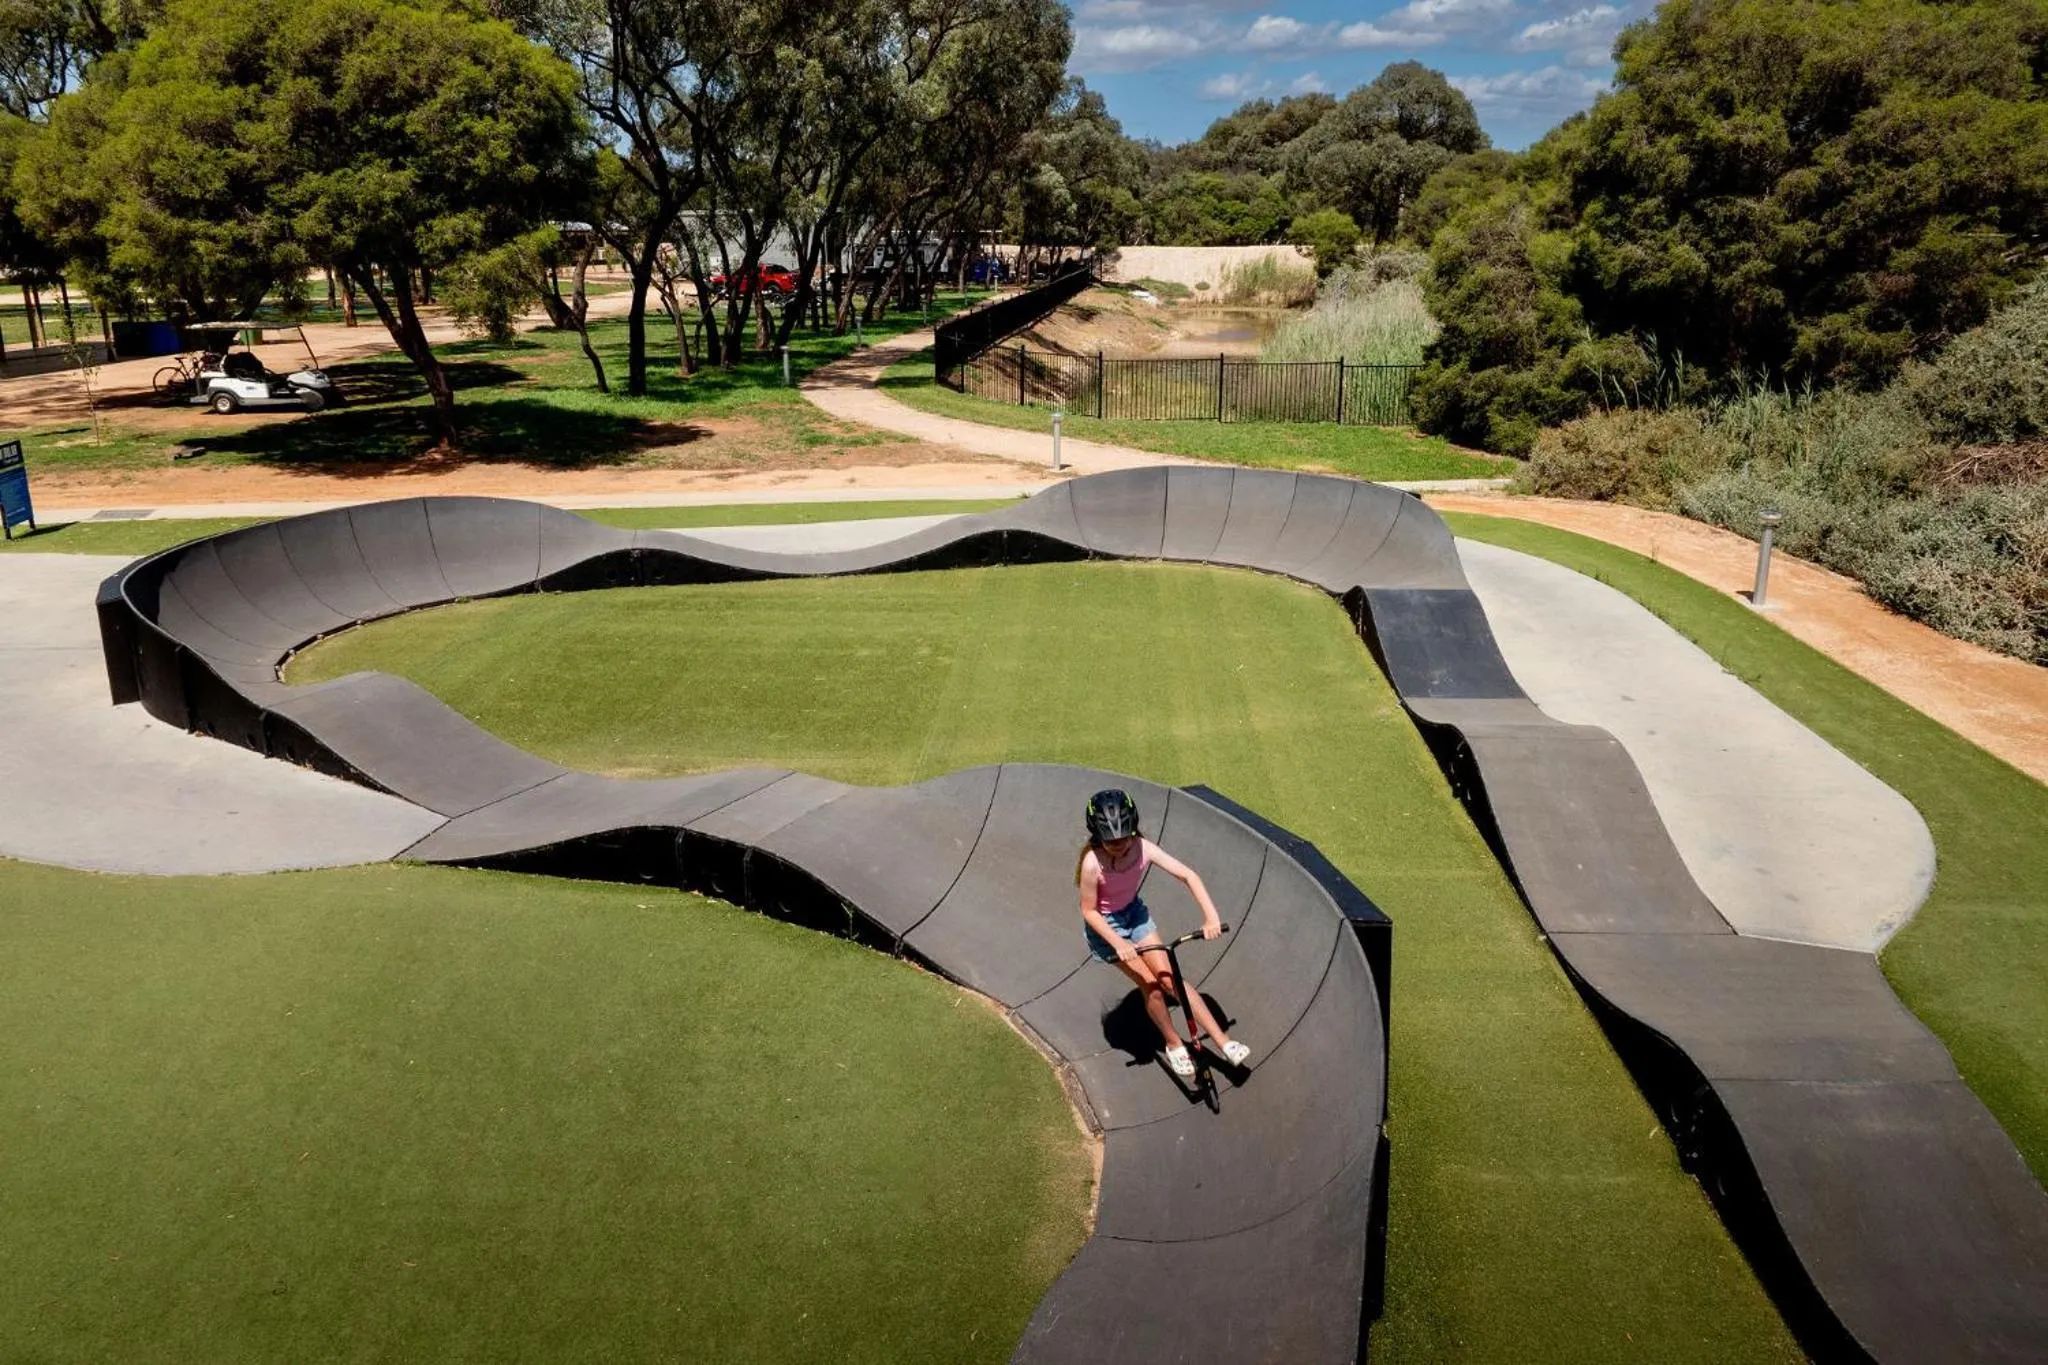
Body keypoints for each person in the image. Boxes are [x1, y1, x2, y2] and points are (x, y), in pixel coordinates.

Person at [1076, 788, 1251, 1078]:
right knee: (1152, 986)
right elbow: (1089, 911)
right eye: (1110, 841)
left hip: (1134, 915)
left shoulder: (1143, 848)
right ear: (1098, 835)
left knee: (1171, 980)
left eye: (1124, 838)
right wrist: (1119, 943)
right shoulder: (1092, 863)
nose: (1118, 845)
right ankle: (1173, 1044)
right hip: (1107, 930)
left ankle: (1224, 1043)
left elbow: (1187, 875)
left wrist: (1211, 916)